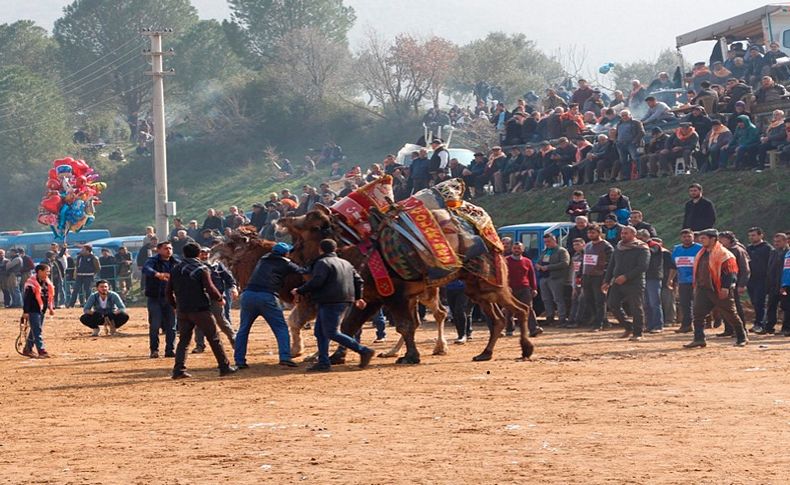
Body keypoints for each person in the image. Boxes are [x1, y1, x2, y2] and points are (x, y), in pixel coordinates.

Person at [292, 239, 375, 372]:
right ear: (335, 249)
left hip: (329, 301)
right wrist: (358, 298)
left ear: (320, 249)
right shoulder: (346, 263)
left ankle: (364, 351)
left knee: (331, 332)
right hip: (343, 300)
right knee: (319, 332)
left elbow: (317, 281)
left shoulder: (322, 263)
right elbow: (359, 280)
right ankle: (323, 362)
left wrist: (300, 290)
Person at [166, 243, 236, 379]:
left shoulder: (175, 269)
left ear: (184, 254)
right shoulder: (201, 268)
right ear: (198, 253)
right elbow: (209, 287)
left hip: (183, 310)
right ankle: (224, 366)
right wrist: (219, 298)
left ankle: (178, 370)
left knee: (184, 341)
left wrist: (175, 306)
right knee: (214, 338)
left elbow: (168, 291)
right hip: (200, 309)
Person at [235, 242, 304, 369]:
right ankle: (284, 357)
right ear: (286, 253)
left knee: (243, 330)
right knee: (281, 328)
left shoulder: (264, 259)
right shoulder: (285, 262)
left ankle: (239, 361)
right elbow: (302, 271)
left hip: (248, 295)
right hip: (267, 297)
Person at [684, 229, 748, 348]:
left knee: (730, 313)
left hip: (718, 288)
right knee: (698, 314)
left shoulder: (724, 253)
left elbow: (731, 272)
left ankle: (742, 337)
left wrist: (725, 287)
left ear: (713, 239)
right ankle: (699, 339)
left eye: (703, 238)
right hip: (703, 288)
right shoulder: (702, 252)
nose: (700, 240)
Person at [602, 226, 650, 341]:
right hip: (617, 281)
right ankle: (628, 327)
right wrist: (606, 281)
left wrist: (626, 276)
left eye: (626, 233)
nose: (623, 235)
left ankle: (638, 332)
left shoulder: (642, 248)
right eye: (622, 233)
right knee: (612, 304)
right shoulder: (618, 247)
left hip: (635, 282)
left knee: (635, 307)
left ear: (633, 235)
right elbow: (612, 265)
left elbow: (643, 266)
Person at [193, 247, 238, 353]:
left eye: (207, 253)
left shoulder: (217, 265)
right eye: (202, 253)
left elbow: (229, 279)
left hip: (216, 297)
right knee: (199, 322)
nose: (205, 255)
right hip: (200, 298)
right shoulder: (195, 266)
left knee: (221, 321)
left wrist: (234, 288)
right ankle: (200, 345)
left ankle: (234, 341)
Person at [142, 241, 178, 358]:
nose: (169, 251)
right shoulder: (152, 261)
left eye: (170, 248)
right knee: (155, 325)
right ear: (158, 250)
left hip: (171, 299)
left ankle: (170, 350)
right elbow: (146, 269)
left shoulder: (176, 262)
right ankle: (154, 350)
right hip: (155, 298)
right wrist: (157, 274)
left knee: (171, 326)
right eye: (166, 248)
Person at [717, 231, 751, 336]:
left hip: (735, 282)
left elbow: (745, 269)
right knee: (725, 306)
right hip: (724, 283)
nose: (720, 241)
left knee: (736, 307)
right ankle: (728, 329)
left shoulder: (738, 250)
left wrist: (742, 284)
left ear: (729, 239)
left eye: (722, 239)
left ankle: (741, 329)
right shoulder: (721, 251)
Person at [505, 242, 542, 337]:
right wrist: (506, 287)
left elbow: (531, 275)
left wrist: (534, 288)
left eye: (518, 248)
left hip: (525, 288)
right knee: (510, 309)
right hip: (510, 289)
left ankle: (533, 329)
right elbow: (503, 275)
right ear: (512, 249)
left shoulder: (527, 261)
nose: (516, 250)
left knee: (528, 308)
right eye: (515, 248)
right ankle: (509, 329)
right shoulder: (506, 260)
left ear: (523, 250)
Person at [670, 229, 703, 333]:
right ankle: (686, 325)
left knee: (699, 303)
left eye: (689, 236)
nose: (687, 238)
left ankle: (703, 324)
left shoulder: (700, 248)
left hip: (697, 281)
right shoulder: (677, 249)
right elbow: (673, 267)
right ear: (681, 238)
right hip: (683, 281)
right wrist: (670, 279)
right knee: (684, 304)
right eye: (684, 237)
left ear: (693, 237)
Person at [582, 224, 613, 331]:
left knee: (599, 301)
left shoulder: (606, 246)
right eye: (589, 233)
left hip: (599, 276)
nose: (590, 235)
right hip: (587, 275)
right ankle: (603, 321)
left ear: (599, 233)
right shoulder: (587, 246)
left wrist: (606, 277)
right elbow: (584, 261)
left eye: (593, 232)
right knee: (588, 300)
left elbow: (611, 263)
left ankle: (598, 324)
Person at [20, 263, 55, 358]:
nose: (48, 273)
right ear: (39, 272)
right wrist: (26, 312)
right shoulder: (31, 284)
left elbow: (48, 297)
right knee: (37, 330)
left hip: (41, 310)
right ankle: (41, 350)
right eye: (46, 271)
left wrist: (50, 308)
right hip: (32, 310)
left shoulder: (46, 283)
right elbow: (27, 299)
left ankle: (28, 349)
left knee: (35, 330)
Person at [535, 234, 570, 326]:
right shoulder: (545, 251)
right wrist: (538, 266)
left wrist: (549, 267)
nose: (547, 243)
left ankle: (562, 318)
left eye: (549, 241)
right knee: (546, 299)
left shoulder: (561, 251)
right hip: (544, 277)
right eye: (545, 242)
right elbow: (538, 261)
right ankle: (549, 317)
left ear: (554, 240)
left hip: (556, 278)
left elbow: (565, 263)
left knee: (558, 299)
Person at [746, 227, 773, 333]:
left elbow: (771, 264)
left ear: (761, 235)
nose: (751, 237)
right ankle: (757, 322)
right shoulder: (749, 248)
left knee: (759, 302)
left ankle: (760, 324)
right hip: (750, 279)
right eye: (750, 235)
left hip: (762, 279)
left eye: (753, 235)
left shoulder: (767, 248)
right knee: (754, 302)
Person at [637, 229, 665, 333]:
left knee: (655, 302)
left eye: (640, 238)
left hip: (653, 276)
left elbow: (651, 252)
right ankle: (649, 325)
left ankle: (658, 325)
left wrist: (641, 246)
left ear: (645, 237)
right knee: (646, 303)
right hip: (643, 276)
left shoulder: (655, 245)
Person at [764, 232, 789, 335]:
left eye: (778, 241)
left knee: (786, 307)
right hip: (773, 285)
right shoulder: (773, 252)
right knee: (771, 306)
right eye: (774, 241)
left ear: (785, 241)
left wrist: (783, 285)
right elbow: (770, 269)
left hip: (785, 285)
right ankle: (769, 327)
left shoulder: (788, 253)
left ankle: (786, 328)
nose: (776, 243)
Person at [615, 110, 645, 180]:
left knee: (636, 158)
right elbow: (617, 134)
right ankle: (626, 176)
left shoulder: (636, 122)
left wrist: (635, 141)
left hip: (632, 144)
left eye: (626, 115)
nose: (624, 117)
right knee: (623, 160)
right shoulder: (619, 124)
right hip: (621, 144)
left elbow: (642, 132)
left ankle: (640, 174)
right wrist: (616, 141)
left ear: (630, 115)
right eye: (622, 116)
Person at [446, 279, 471, 344]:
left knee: (459, 310)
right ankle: (462, 333)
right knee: (454, 312)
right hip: (450, 289)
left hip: (463, 288)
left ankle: (463, 335)